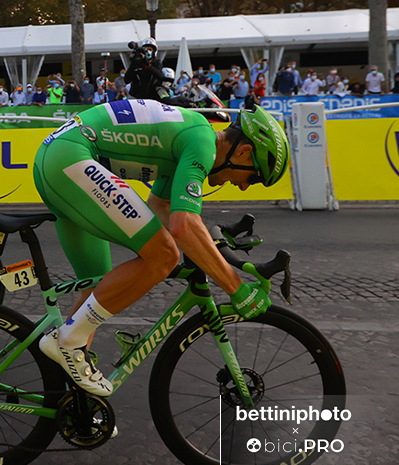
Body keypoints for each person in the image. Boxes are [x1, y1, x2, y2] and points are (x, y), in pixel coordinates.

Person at [34, 99, 289, 397]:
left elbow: (161, 207)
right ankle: (67, 341)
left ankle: (73, 399)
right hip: (71, 159)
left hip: (57, 159)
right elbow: (182, 227)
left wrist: (210, 243)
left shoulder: (189, 134)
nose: (246, 186)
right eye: (254, 176)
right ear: (244, 152)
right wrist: (237, 289)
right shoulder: (202, 141)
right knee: (165, 255)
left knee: (100, 290)